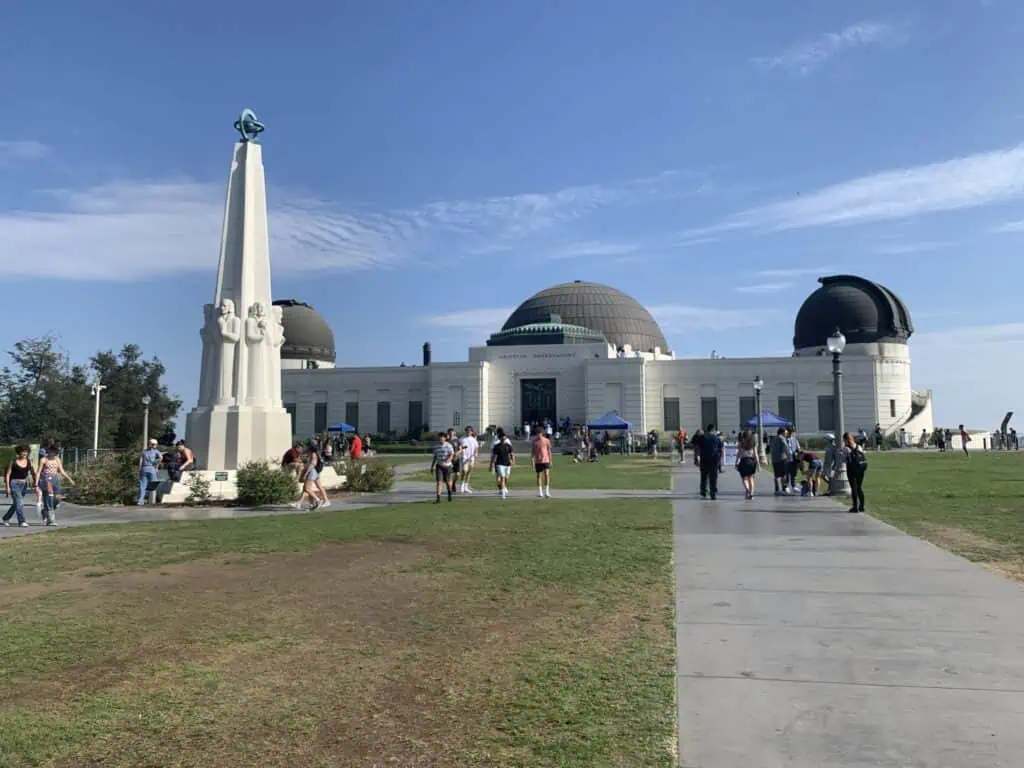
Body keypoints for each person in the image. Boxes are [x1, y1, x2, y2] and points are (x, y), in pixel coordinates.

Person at [38, 444, 74, 525]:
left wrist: (70, 479)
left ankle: (45, 511)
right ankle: (51, 520)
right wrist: (36, 483)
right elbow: (39, 471)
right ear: (48, 451)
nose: (52, 453)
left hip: (55, 479)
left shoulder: (57, 459)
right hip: (47, 480)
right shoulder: (44, 459)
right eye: (51, 451)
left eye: (54, 452)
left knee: (58, 498)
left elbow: (62, 471)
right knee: (50, 497)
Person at [3, 445, 36, 527]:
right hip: (14, 484)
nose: (24, 453)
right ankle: (21, 521)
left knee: (17, 503)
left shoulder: (29, 462)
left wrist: (36, 484)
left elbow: (33, 473)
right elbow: (8, 474)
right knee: (20, 503)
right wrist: (7, 487)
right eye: (23, 451)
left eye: (26, 451)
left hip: (24, 484)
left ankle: (6, 518)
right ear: (19, 452)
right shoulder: (13, 461)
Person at [696, 423, 722, 500]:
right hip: (714, 459)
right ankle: (713, 493)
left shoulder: (702, 437)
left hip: (704, 458)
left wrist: (697, 458)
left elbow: (698, 447)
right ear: (713, 430)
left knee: (704, 476)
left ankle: (703, 491)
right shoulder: (717, 438)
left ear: (707, 430)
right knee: (713, 476)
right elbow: (720, 449)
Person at [843, 431, 868, 513]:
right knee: (859, 487)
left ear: (845, 440)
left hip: (851, 469)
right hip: (861, 468)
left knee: (854, 488)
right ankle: (862, 506)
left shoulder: (846, 448)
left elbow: (844, 460)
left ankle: (855, 507)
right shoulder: (859, 446)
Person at [489, 427, 515, 499]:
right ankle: (502, 490)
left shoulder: (507, 442)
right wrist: (492, 463)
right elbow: (493, 452)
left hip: (507, 462)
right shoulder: (496, 442)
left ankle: (502, 488)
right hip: (499, 462)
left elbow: (511, 452)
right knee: (501, 477)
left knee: (505, 476)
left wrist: (512, 460)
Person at [430, 432, 455, 503]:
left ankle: (449, 493)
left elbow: (452, 454)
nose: (441, 439)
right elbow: (435, 457)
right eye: (440, 437)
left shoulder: (449, 445)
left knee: (448, 483)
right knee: (439, 482)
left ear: (445, 438)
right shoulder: (436, 446)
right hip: (439, 466)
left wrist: (448, 460)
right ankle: (438, 498)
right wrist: (432, 467)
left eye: (442, 437)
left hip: (447, 466)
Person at [735, 430, 758, 500]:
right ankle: (751, 493)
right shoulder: (753, 443)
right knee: (751, 478)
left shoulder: (741, 444)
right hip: (751, 461)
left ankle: (747, 489)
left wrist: (736, 463)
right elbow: (755, 454)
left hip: (743, 461)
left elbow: (738, 454)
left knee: (744, 478)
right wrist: (758, 464)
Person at [138, 439, 162, 506]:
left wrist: (139, 470)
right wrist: (156, 466)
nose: (155, 445)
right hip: (152, 469)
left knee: (142, 485)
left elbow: (140, 462)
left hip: (144, 469)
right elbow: (161, 458)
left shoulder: (143, 452)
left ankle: (141, 500)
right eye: (154, 444)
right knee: (154, 484)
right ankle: (153, 500)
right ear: (152, 444)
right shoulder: (156, 451)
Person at [532, 425, 553, 498]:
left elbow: (549, 451)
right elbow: (533, 452)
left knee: (547, 475)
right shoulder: (534, 441)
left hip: (546, 460)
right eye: (537, 433)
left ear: (542, 433)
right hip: (538, 461)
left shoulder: (547, 440)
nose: (538, 434)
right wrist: (532, 462)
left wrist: (550, 461)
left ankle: (547, 491)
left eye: (539, 433)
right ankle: (540, 492)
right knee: (538, 476)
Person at [458, 426, 480, 494]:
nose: (468, 432)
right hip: (464, 458)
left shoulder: (474, 440)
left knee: (469, 472)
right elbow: (459, 447)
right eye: (467, 430)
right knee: (464, 471)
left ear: (472, 432)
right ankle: (462, 485)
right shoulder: (462, 439)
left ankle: (466, 487)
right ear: (466, 431)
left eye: (470, 431)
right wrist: (461, 450)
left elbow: (476, 448)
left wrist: (476, 453)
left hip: (471, 458)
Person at [770, 428, 791, 495]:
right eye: (786, 433)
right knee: (783, 475)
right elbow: (785, 447)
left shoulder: (774, 438)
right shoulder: (782, 438)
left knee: (776, 475)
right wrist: (789, 456)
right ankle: (784, 488)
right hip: (782, 459)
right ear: (782, 432)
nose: (786, 434)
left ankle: (776, 489)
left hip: (774, 459)